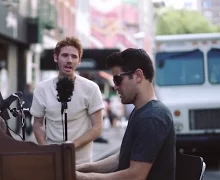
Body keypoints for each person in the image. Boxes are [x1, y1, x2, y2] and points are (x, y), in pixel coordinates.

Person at [76, 48, 176, 180]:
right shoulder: (141, 112)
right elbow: (120, 159)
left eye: (117, 80)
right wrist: (82, 168)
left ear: (138, 76)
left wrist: (82, 177)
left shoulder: (152, 118)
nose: (115, 86)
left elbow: (136, 176)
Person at [30, 36, 104, 165]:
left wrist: (72, 146)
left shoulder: (91, 88)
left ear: (79, 61)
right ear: (55, 58)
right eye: (64, 55)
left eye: (74, 57)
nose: (69, 60)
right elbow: (37, 124)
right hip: (52, 160)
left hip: (82, 163)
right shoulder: (42, 89)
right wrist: (46, 149)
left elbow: (97, 127)